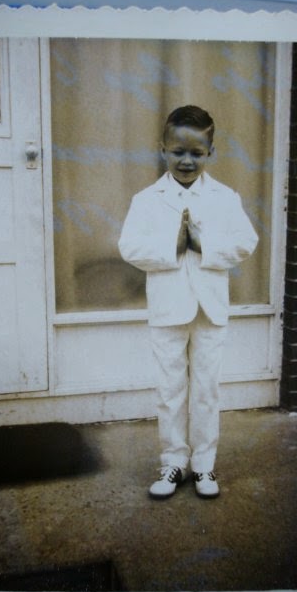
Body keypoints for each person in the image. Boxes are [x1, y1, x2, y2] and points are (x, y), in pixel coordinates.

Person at [118, 105, 258, 499]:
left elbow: (246, 242)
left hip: (210, 311)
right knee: (170, 389)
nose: (186, 161)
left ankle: (204, 465)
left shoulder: (224, 198)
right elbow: (129, 246)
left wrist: (203, 244)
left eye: (196, 153)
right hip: (167, 309)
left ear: (211, 152)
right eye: (178, 151)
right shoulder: (147, 199)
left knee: (206, 389)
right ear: (162, 149)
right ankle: (173, 462)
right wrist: (173, 245)